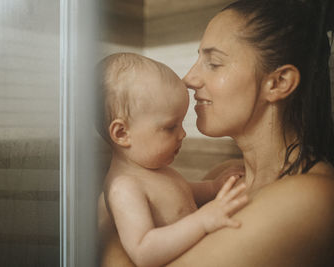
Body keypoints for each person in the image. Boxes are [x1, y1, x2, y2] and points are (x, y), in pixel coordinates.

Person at [100, 0, 334, 266]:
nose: (188, 78)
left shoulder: (310, 198)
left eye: (213, 63)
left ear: (278, 82)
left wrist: (108, 222)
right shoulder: (224, 178)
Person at [97, 53, 249, 267]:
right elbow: (143, 252)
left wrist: (213, 187)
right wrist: (202, 221)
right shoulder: (124, 188)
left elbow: (182, 192)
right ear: (122, 133)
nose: (182, 135)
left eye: (181, 124)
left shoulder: (154, 172)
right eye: (170, 127)